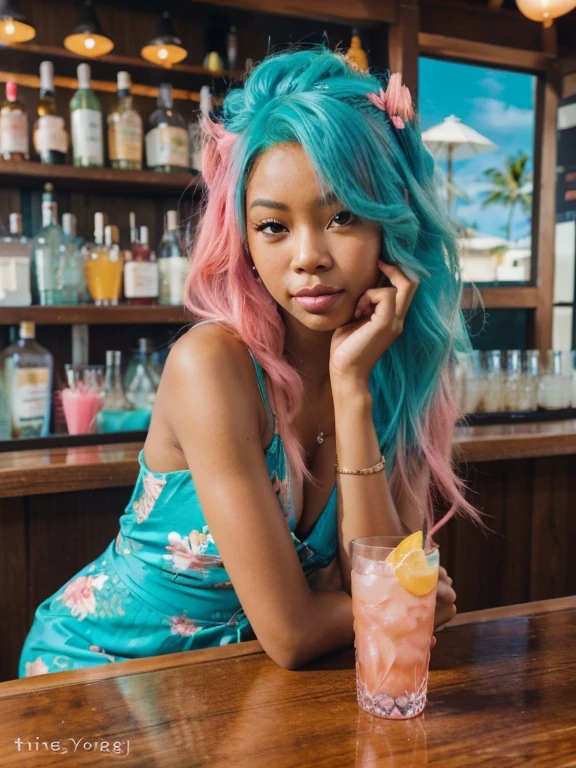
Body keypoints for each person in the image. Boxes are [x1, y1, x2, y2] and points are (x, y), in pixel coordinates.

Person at [19, 47, 483, 678]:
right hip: (101, 673)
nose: (308, 256)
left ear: (390, 227)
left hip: (235, 686)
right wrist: (411, 600)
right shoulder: (211, 365)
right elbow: (299, 633)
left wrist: (352, 390)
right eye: (273, 226)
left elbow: (374, 584)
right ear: (244, 236)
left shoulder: (389, 376)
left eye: (342, 215)